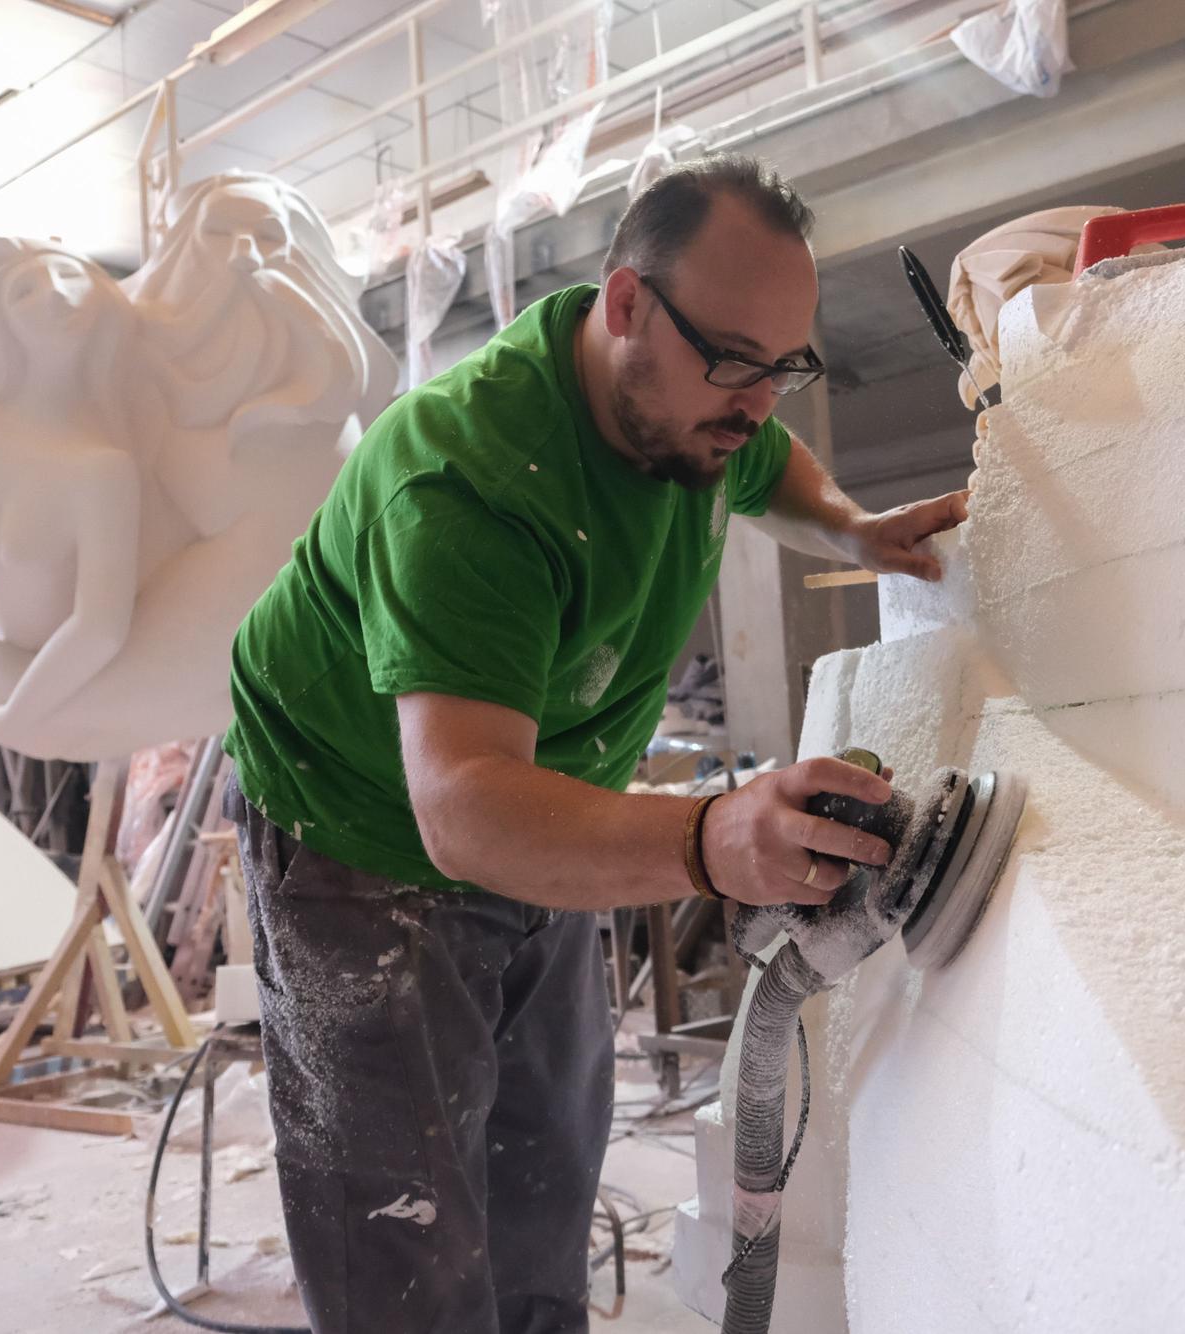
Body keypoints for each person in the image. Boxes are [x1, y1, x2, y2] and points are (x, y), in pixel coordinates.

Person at [222, 154, 969, 1334]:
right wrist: (710, 836)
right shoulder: (466, 481)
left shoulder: (700, 409)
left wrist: (851, 525)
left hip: (544, 797)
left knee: (542, 1170)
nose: (756, 401)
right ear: (626, 305)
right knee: (404, 1229)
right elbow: (463, 810)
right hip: (360, 826)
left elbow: (772, 464)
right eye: (733, 361)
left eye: (784, 367)